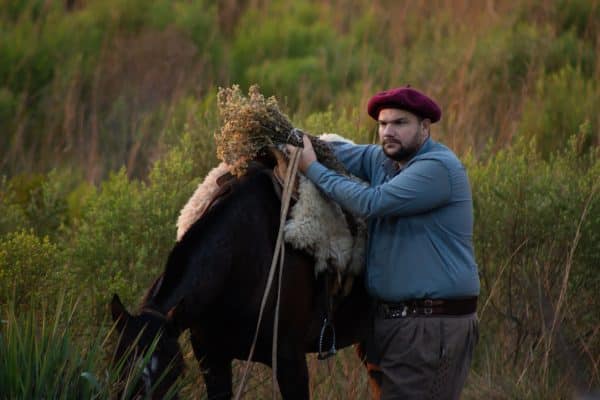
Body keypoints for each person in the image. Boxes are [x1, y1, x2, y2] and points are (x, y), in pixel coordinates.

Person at [290, 86, 480, 399]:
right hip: (395, 322)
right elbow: (330, 150)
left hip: (431, 324)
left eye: (400, 123)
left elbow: (371, 202)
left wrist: (311, 168)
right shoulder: (382, 160)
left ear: (424, 127)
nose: (388, 131)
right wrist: (284, 137)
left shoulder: (436, 168)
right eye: (382, 124)